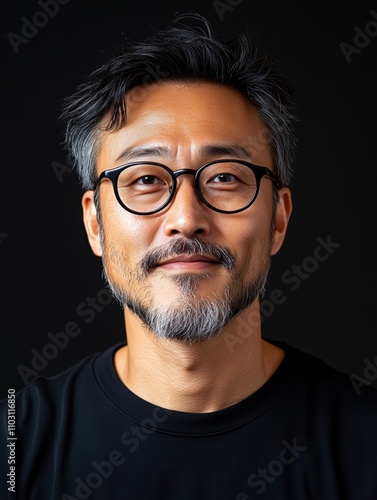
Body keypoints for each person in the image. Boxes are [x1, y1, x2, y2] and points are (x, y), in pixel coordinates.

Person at [1, 11, 377, 500]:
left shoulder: (365, 445)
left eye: (224, 177)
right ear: (95, 223)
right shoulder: (16, 442)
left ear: (278, 220)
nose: (185, 217)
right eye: (145, 179)